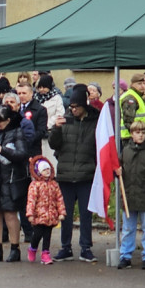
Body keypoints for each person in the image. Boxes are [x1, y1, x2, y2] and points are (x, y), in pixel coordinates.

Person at [48, 84, 99, 263]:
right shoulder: (65, 120)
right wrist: (56, 128)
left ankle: (86, 247)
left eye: (76, 107)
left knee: (86, 213)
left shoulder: (96, 120)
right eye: (71, 107)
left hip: (86, 174)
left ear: (84, 105)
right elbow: (54, 144)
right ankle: (65, 247)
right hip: (66, 175)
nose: (73, 110)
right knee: (65, 214)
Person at [0, 105, 29, 262]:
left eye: (0, 122)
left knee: (10, 213)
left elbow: (22, 154)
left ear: (8, 120)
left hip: (11, 179)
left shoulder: (17, 132)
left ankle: (15, 248)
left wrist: (2, 150)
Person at [116, 121, 145, 270]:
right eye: (137, 132)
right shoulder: (126, 151)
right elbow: (121, 171)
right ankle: (125, 256)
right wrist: (117, 172)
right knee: (128, 229)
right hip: (129, 197)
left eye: (143, 132)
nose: (140, 135)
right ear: (131, 134)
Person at [25, 156, 66, 264]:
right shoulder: (35, 185)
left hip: (51, 215)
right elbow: (31, 200)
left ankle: (45, 253)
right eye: (44, 170)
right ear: (38, 172)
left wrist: (61, 212)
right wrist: (30, 214)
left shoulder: (54, 184)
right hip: (39, 215)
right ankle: (33, 248)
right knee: (37, 234)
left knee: (47, 235)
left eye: (48, 169)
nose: (47, 171)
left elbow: (59, 199)